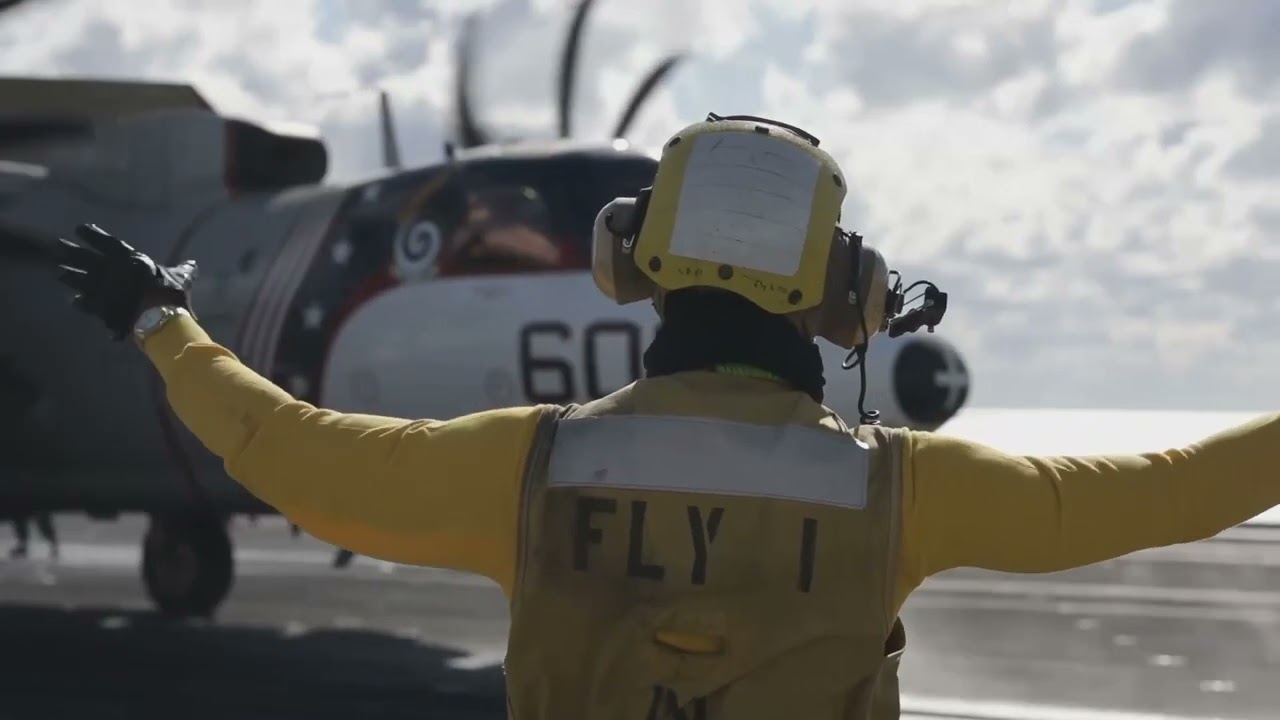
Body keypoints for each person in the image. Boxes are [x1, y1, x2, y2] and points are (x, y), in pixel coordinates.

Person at [52, 113, 1280, 720]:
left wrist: (164, 323)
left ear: (630, 267)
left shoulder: (525, 470)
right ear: (845, 298)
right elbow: (1170, 485)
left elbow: (285, 450)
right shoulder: (902, 490)